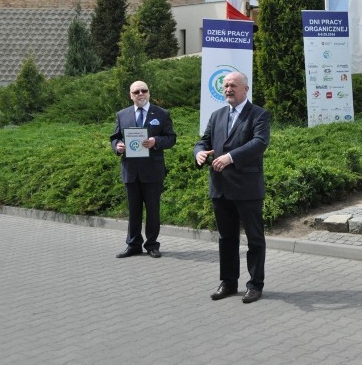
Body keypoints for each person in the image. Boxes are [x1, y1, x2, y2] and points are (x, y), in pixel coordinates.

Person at [194, 71, 271, 304]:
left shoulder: (259, 114)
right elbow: (204, 140)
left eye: (233, 85)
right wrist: (198, 152)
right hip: (220, 187)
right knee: (226, 238)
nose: (228, 89)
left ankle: (255, 285)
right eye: (225, 85)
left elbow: (259, 143)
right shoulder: (217, 115)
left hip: (247, 188)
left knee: (254, 239)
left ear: (245, 89)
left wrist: (229, 157)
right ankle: (228, 282)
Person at [110, 80, 177, 258]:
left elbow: (171, 138)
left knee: (153, 210)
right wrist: (117, 147)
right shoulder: (122, 115)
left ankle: (152, 245)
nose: (141, 94)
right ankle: (133, 244)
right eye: (136, 92)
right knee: (133, 210)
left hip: (152, 171)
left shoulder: (161, 114)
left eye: (144, 91)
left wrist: (156, 142)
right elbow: (115, 138)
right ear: (130, 95)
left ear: (149, 93)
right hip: (131, 170)